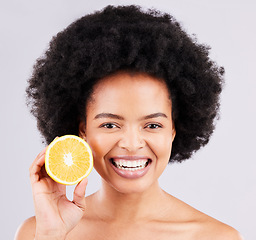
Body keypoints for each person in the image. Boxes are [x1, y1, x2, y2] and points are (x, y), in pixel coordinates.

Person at [15, 5, 243, 240]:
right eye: (110, 125)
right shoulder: (36, 233)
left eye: (153, 125)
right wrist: (51, 234)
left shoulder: (217, 237)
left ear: (174, 129)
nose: (132, 144)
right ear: (82, 130)